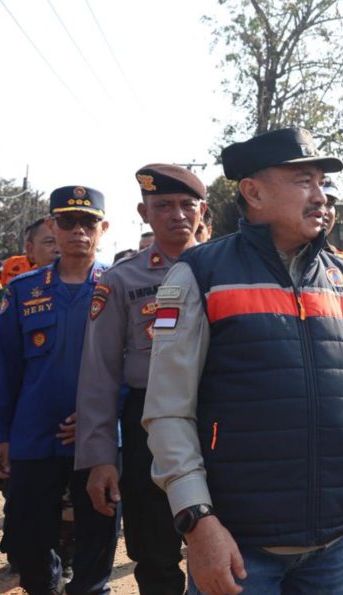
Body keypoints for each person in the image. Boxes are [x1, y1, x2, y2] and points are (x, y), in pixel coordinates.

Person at [142, 127, 343, 595]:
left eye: (322, 182)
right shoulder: (198, 273)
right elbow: (168, 409)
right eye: (303, 181)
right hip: (239, 545)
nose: (321, 195)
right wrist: (197, 520)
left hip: (337, 542)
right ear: (253, 191)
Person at [76, 165, 207, 595]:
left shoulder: (225, 269)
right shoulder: (121, 280)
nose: (177, 214)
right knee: (155, 552)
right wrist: (99, 459)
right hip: (146, 421)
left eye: (187, 205)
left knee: (226, 543)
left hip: (217, 418)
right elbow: (99, 375)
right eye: (163, 206)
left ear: (202, 210)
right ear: (143, 212)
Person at [0, 186, 119, 595]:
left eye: (88, 222)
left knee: (97, 542)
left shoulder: (116, 288)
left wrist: (101, 416)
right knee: (28, 543)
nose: (78, 230)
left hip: (97, 442)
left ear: (103, 228)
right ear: (52, 225)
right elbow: (3, 368)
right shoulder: (22, 290)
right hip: (34, 439)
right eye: (67, 221)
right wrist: (1, 435)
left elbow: (136, 366)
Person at [0, 217, 60, 287]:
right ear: (30, 248)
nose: (58, 249)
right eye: (50, 242)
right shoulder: (12, 263)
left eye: (63, 242)